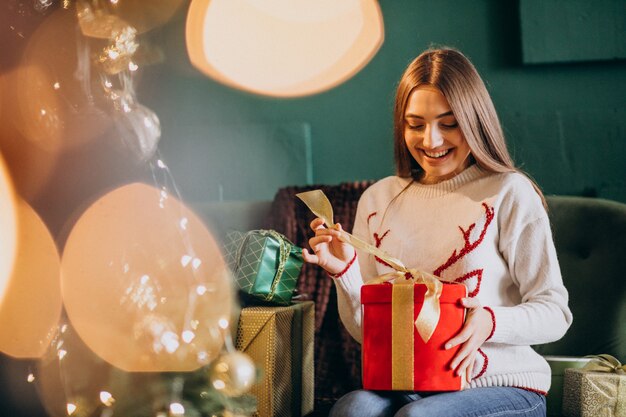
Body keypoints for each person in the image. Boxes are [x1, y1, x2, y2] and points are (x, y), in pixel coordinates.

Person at [301, 47, 572, 417]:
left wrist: (491, 321)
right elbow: (370, 334)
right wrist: (344, 274)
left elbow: (555, 312)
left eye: (448, 123)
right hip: (411, 385)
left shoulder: (509, 192)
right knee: (352, 410)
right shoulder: (378, 198)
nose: (430, 141)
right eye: (416, 124)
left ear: (474, 121)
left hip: (504, 385)